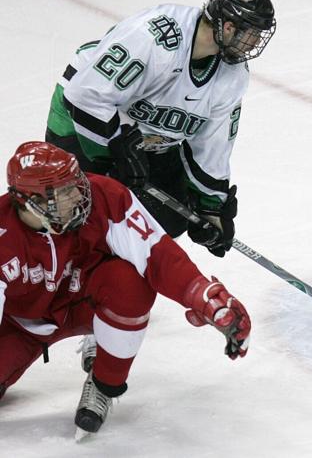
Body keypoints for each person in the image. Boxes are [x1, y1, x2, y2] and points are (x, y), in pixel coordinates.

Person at [0, 141, 251, 435]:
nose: (79, 196)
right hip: (23, 326)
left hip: (86, 300)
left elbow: (157, 254)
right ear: (31, 201)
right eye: (64, 192)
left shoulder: (104, 196)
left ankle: (103, 382)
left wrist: (207, 299)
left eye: (76, 184)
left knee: (129, 283)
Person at [44, 0, 276, 258]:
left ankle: (111, 276)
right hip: (82, 122)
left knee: (169, 218)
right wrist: (111, 156)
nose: (254, 43)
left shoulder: (232, 76)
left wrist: (210, 208)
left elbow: (212, 146)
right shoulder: (155, 36)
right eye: (252, 33)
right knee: (73, 211)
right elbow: (86, 96)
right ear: (228, 26)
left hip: (145, 140)